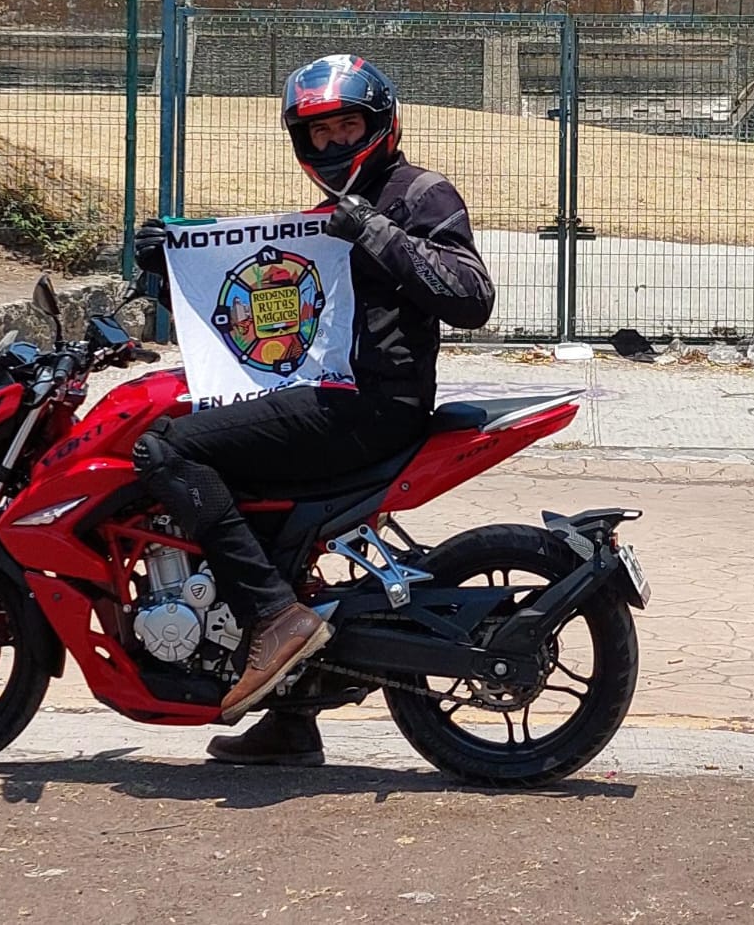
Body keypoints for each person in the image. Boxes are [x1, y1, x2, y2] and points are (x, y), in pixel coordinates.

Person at [131, 54, 495, 766]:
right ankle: (293, 717)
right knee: (249, 518)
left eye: (346, 126)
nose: (332, 144)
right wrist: (166, 270)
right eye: (317, 133)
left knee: (164, 449)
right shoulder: (319, 221)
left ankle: (275, 615)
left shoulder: (420, 193)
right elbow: (255, 319)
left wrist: (377, 233)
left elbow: (473, 295)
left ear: (381, 124)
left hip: (370, 406)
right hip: (320, 399)